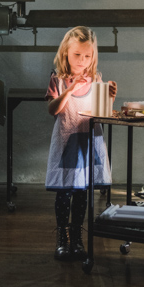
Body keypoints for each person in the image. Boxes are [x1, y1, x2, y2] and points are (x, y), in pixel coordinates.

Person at [45, 26, 116, 261]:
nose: (82, 61)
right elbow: (53, 110)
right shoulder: (57, 80)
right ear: (66, 52)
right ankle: (62, 239)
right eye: (77, 55)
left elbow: (102, 111)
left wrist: (110, 96)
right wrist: (71, 89)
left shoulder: (95, 79)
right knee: (65, 192)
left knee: (82, 193)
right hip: (67, 142)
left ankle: (76, 239)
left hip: (88, 142)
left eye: (87, 56)